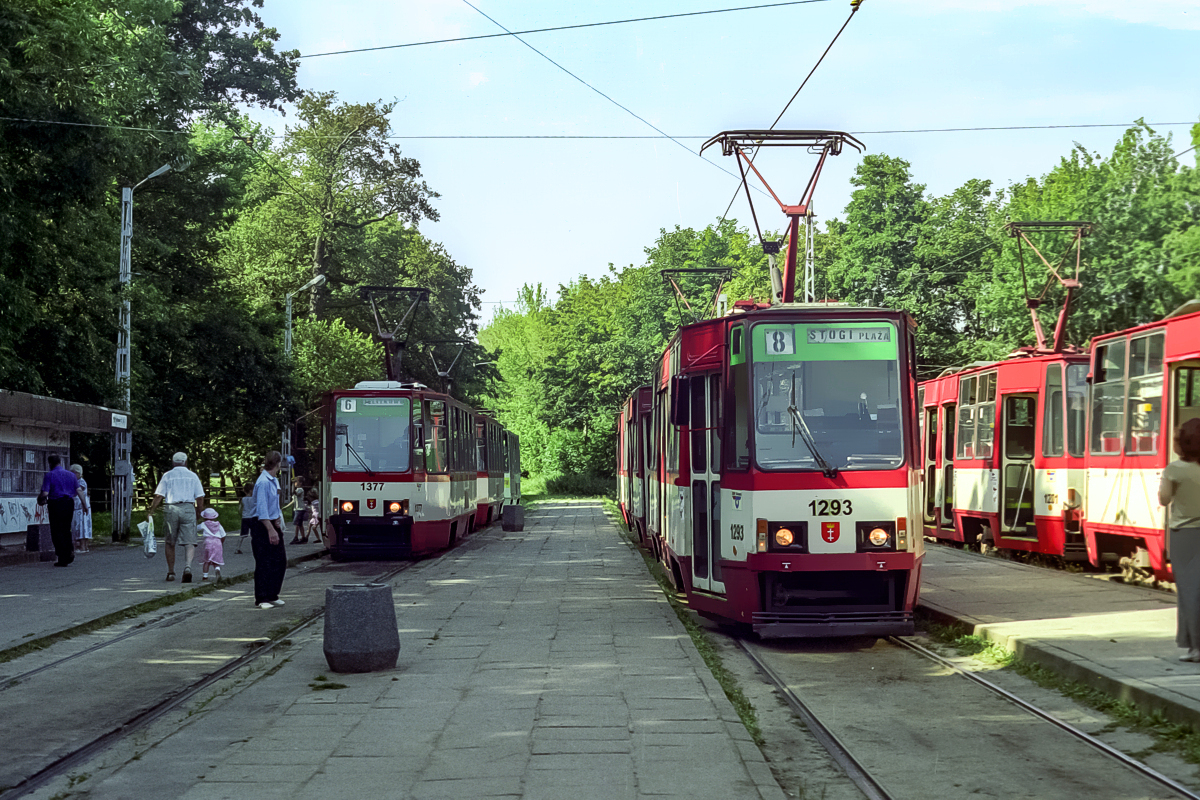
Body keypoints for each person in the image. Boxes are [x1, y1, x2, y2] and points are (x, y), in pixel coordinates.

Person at [1161, 418, 1200, 662]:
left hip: (1185, 535)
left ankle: (1196, 647)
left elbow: (1164, 499)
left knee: (1190, 591)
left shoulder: (1174, 470)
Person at [145, 452, 206, 583]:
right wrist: (199, 512)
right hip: (188, 508)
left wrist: (151, 511)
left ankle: (171, 572)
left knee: (170, 541)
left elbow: (158, 496)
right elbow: (200, 497)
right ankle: (188, 567)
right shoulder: (193, 476)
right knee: (190, 541)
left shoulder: (167, 475)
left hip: (171, 508)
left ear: (173, 462)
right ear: (186, 462)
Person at [251, 450, 287, 609]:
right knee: (264, 561)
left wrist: (278, 518)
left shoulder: (273, 480)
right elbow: (262, 509)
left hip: (273, 522)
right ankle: (262, 597)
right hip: (263, 524)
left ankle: (273, 594)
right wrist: (270, 529)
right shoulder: (264, 482)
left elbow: (274, 504)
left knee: (279, 560)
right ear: (278, 463)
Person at [39, 454, 79, 567]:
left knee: (56, 530)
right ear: (60, 462)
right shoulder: (71, 475)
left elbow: (45, 493)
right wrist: (85, 505)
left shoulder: (50, 475)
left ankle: (62, 556)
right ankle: (69, 551)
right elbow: (78, 491)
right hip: (68, 503)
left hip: (55, 504)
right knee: (66, 528)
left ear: (50, 463)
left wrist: (40, 499)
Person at [198, 507, 226, 581]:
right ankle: (217, 570)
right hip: (217, 542)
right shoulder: (218, 525)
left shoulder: (203, 524)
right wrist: (221, 542)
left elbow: (196, 529)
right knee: (216, 560)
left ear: (204, 517)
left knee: (206, 560)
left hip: (208, 542)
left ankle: (205, 576)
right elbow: (223, 535)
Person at [69, 464, 92, 553]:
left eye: (73, 472)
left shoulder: (81, 482)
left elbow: (76, 491)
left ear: (78, 473)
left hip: (81, 508)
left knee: (83, 528)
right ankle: (84, 547)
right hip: (79, 508)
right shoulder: (77, 482)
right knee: (81, 527)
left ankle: (83, 547)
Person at [236, 482, 255, 554]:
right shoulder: (254, 499)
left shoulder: (243, 499)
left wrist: (242, 514)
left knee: (242, 534)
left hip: (245, 518)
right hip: (252, 517)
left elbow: (239, 509)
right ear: (251, 491)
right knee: (254, 534)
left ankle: (238, 548)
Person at [288, 478, 306, 545]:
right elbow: (293, 501)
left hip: (299, 509)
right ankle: (303, 537)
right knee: (300, 524)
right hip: (297, 509)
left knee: (297, 524)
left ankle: (296, 537)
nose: (295, 483)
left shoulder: (300, 489)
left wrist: (292, 484)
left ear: (300, 483)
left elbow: (294, 492)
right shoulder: (297, 490)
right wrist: (285, 507)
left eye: (296, 482)